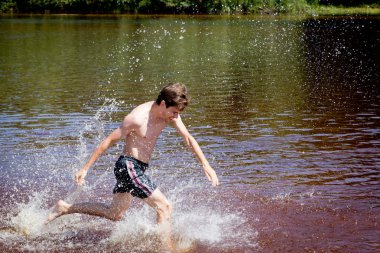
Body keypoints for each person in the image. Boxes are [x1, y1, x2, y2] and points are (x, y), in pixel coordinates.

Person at [46, 83, 219, 250]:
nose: (175, 117)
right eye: (174, 112)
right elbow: (108, 141)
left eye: (177, 113)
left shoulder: (170, 114)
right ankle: (166, 249)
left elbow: (188, 138)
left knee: (115, 214)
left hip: (137, 168)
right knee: (164, 206)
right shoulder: (136, 119)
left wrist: (206, 165)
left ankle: (66, 208)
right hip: (128, 166)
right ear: (164, 103)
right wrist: (85, 168)